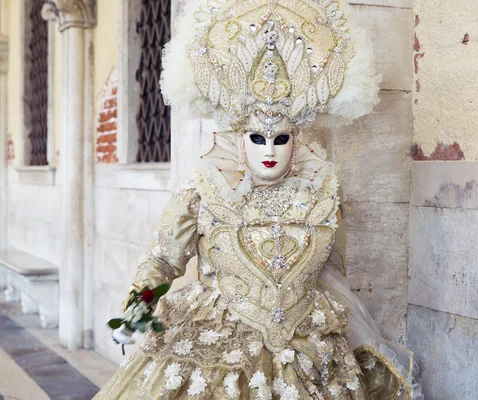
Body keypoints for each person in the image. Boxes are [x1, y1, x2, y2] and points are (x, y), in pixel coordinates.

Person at [94, 0, 422, 399]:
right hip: (217, 342)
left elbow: (333, 271)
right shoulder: (206, 188)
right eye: (258, 138)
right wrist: (139, 304)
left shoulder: (322, 190)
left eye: (280, 138)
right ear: (239, 138)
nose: (269, 148)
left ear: (295, 140)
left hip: (308, 344)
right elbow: (164, 258)